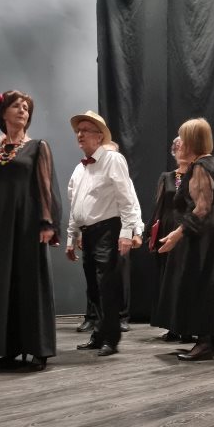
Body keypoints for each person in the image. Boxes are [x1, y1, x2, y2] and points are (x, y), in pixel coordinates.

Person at [0, 90, 61, 370]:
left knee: (30, 282)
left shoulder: (38, 147)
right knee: (0, 282)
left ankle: (38, 348)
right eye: (16, 106)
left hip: (27, 222)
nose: (22, 111)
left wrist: (47, 222)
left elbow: (46, 186)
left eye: (26, 108)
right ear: (2, 113)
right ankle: (4, 347)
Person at [155, 117, 214, 361]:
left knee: (203, 283)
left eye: (183, 138)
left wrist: (176, 234)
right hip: (210, 229)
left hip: (203, 232)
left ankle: (205, 342)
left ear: (192, 141)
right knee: (211, 281)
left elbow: (201, 208)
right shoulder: (209, 162)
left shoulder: (201, 166)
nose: (179, 143)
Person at [67, 111, 141, 356]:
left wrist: (127, 232)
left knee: (107, 286)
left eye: (85, 130)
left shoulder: (113, 159)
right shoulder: (79, 169)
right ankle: (98, 334)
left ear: (99, 137)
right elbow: (75, 205)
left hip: (108, 230)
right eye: (78, 130)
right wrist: (72, 237)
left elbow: (126, 198)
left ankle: (111, 337)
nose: (80, 134)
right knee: (93, 287)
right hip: (88, 233)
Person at [74, 140, 143, 334]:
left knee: (117, 278)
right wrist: (78, 232)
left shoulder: (120, 173)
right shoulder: (87, 173)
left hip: (117, 229)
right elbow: (81, 203)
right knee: (94, 277)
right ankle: (93, 317)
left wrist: (136, 231)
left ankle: (121, 317)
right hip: (94, 230)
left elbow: (132, 203)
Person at [146, 135, 192, 342]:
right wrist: (151, 233)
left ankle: (187, 327)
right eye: (178, 147)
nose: (181, 149)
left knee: (185, 278)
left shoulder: (197, 174)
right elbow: (159, 205)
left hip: (187, 229)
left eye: (185, 146)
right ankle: (173, 326)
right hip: (166, 228)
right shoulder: (166, 177)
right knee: (168, 278)